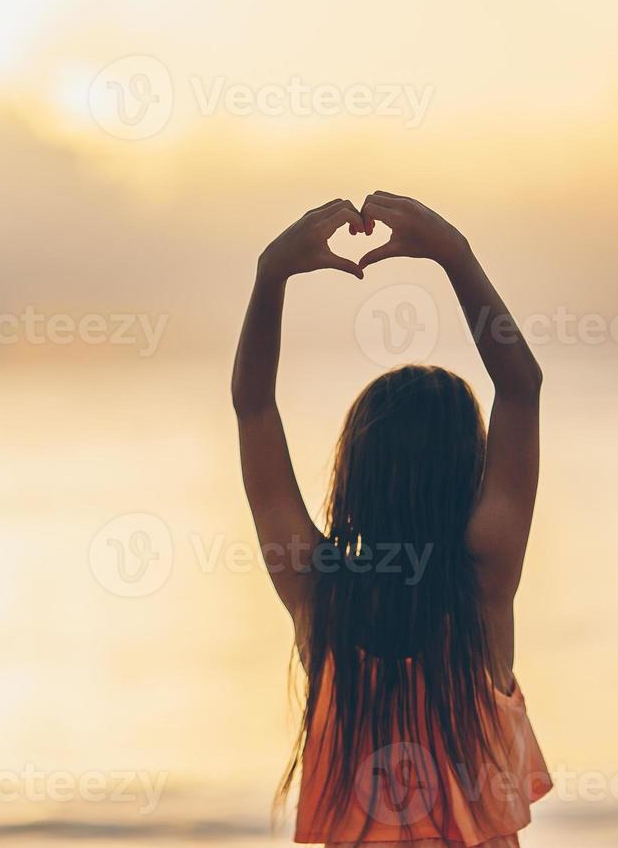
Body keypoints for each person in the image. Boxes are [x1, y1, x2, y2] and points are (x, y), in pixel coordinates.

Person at [230, 192, 552, 847]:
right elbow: (520, 388)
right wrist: (453, 254)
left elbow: (254, 409)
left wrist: (271, 276)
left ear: (355, 470)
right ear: (468, 469)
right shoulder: (482, 584)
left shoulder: (318, 593)